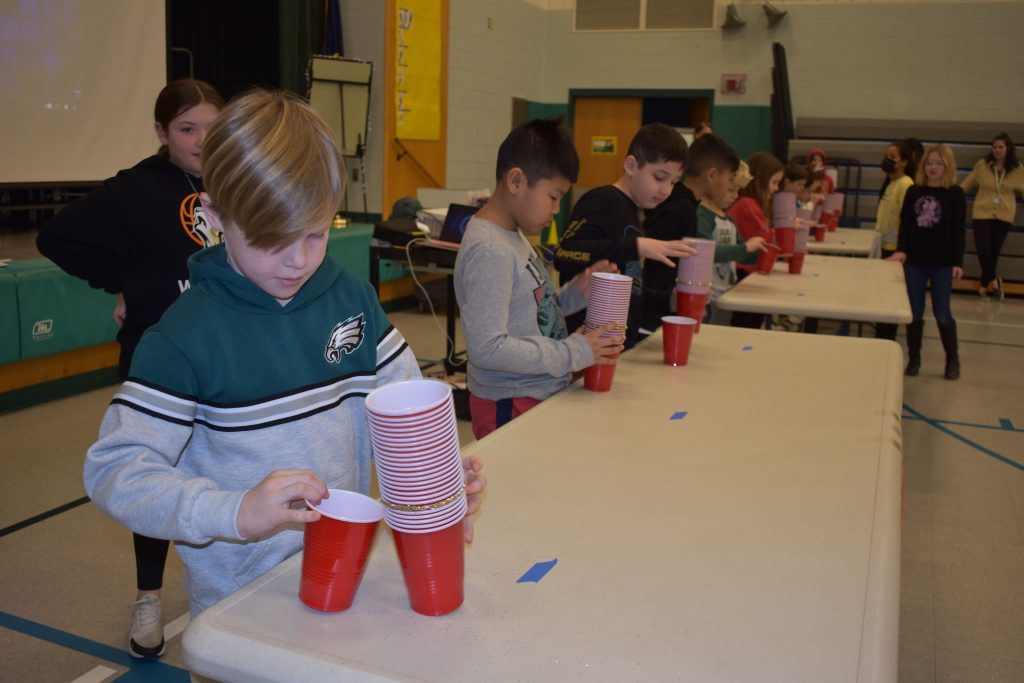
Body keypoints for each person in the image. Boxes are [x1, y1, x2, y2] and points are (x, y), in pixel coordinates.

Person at [82, 90, 486, 621]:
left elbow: (404, 410)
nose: (298, 260)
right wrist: (236, 510)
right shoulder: (184, 336)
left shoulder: (351, 297)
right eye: (272, 239)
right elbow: (115, 471)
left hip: (347, 579)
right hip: (240, 606)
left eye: (316, 233)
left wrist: (437, 482)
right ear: (215, 215)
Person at [36, 78, 224, 659]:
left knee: (225, 468)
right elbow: (56, 237)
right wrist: (119, 280)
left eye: (211, 129)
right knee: (155, 472)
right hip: (158, 357)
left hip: (224, 350)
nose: (200, 141)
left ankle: (226, 591)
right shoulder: (134, 189)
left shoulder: (235, 181)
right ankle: (148, 597)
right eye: (187, 129)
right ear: (162, 133)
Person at [454, 119, 623, 439]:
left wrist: (575, 295)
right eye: (553, 196)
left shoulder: (511, 236)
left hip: (534, 392)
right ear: (516, 180)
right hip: (509, 402)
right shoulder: (490, 249)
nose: (557, 210)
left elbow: (528, 314)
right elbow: (487, 348)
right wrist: (576, 351)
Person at [554, 123, 695, 348]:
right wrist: (635, 246)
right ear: (631, 166)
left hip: (619, 345)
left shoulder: (635, 213)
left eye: (673, 182)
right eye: (660, 177)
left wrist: (667, 300)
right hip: (584, 345)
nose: (666, 190)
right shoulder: (602, 201)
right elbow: (564, 254)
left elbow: (632, 290)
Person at [641, 134, 741, 330]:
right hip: (657, 317)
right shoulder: (681, 209)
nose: (730, 186)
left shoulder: (682, 203)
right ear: (712, 175)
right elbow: (659, 270)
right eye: (729, 178)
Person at [888, 144, 965, 380]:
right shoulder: (914, 192)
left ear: (947, 167)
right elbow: (906, 225)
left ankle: (952, 360)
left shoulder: (955, 194)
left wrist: (957, 262)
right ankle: (914, 358)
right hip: (915, 263)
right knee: (915, 312)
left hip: (942, 263)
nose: (933, 168)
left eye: (939, 163)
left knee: (942, 312)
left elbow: (958, 231)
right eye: (929, 163)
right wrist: (902, 250)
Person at [696, 161, 765, 325]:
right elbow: (706, 253)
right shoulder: (702, 216)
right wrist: (745, 248)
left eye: (738, 191)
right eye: (730, 190)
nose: (735, 196)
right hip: (708, 298)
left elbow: (743, 255)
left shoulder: (728, 219)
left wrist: (761, 252)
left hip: (726, 294)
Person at [961, 133, 1024, 299]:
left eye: (1001, 147)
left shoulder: (1017, 168)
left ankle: (983, 286)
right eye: (994, 147)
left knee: (993, 252)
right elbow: (968, 183)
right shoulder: (983, 165)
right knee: (983, 248)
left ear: (1008, 148)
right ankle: (994, 281)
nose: (997, 150)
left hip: (1004, 214)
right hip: (982, 212)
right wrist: (952, 196)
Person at [729, 152, 784, 329]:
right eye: (774, 182)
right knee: (747, 327)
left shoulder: (753, 204)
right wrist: (785, 228)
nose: (776, 189)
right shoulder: (747, 205)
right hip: (742, 275)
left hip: (745, 272)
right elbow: (765, 242)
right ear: (760, 180)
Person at [874, 141, 915, 340]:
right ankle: (881, 336)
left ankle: (886, 339)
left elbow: (906, 221)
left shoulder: (906, 185)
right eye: (885, 156)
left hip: (894, 249)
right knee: (881, 299)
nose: (887, 160)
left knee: (889, 301)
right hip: (883, 246)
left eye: (892, 157)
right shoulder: (890, 183)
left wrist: (901, 248)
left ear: (904, 162)